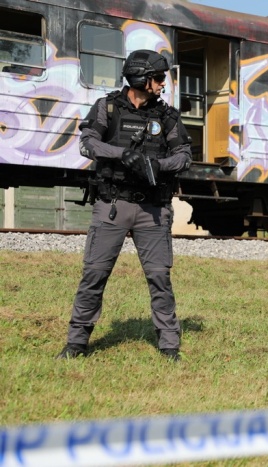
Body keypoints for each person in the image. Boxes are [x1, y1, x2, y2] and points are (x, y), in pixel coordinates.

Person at [56, 50, 192, 361]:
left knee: (160, 277)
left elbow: (184, 156)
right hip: (112, 205)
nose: (162, 84)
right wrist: (122, 155)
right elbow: (87, 143)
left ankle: (169, 346)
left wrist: (158, 165)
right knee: (94, 275)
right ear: (141, 78)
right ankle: (76, 343)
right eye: (158, 78)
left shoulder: (168, 117)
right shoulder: (107, 107)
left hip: (154, 211)